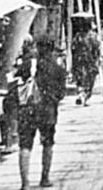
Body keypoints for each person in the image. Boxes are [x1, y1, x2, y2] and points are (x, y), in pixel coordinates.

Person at [16, 35, 66, 190]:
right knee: (48, 143)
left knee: (25, 145)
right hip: (48, 111)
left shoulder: (27, 65)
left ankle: (25, 183)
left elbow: (15, 83)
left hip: (27, 109)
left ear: (38, 48)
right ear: (52, 49)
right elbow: (61, 94)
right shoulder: (58, 69)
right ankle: (44, 178)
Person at [71, 20, 100, 105]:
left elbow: (73, 48)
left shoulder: (77, 36)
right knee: (90, 78)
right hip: (90, 59)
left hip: (78, 59)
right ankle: (86, 97)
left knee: (79, 76)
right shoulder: (93, 36)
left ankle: (80, 93)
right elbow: (96, 48)